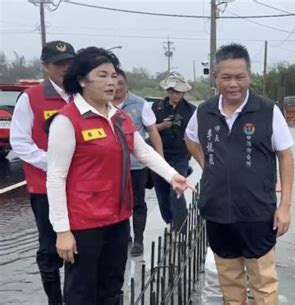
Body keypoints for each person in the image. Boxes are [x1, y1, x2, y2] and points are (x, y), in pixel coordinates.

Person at [46, 47, 194, 305]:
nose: (112, 82)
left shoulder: (119, 117)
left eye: (114, 76)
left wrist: (172, 176)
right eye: (102, 75)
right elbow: (55, 177)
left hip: (117, 217)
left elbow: (143, 151)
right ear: (82, 80)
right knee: (81, 290)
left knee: (113, 286)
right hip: (84, 223)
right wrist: (62, 231)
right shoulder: (68, 121)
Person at [185, 43, 294, 305]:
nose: (233, 84)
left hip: (257, 212)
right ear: (215, 78)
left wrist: (285, 207)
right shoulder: (205, 111)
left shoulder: (267, 111)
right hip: (218, 211)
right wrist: (208, 164)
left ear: (249, 76)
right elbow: (189, 138)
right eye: (226, 77)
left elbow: (286, 156)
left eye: (239, 77)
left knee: (264, 283)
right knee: (230, 282)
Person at [10, 40, 76, 305]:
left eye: (70, 64)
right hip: (45, 187)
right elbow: (20, 141)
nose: (66, 69)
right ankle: (54, 300)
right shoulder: (32, 97)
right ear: (45, 66)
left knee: (79, 246)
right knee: (50, 249)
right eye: (59, 64)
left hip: (81, 186)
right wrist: (52, 163)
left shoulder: (81, 94)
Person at [112, 68, 163, 256]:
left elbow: (152, 131)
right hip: (112, 167)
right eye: (113, 83)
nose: (116, 87)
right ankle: (124, 236)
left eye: (121, 83)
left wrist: (159, 160)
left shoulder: (140, 104)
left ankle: (139, 240)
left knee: (137, 202)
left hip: (136, 165)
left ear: (127, 84)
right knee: (118, 202)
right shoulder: (101, 103)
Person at [151, 72, 195, 232]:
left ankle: (181, 228)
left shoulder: (191, 110)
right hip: (159, 156)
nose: (174, 94)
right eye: (171, 91)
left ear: (183, 92)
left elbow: (196, 133)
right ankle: (170, 221)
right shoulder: (156, 107)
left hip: (181, 156)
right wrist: (161, 126)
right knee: (162, 193)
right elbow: (148, 129)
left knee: (176, 191)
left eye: (177, 91)